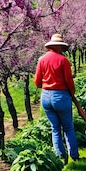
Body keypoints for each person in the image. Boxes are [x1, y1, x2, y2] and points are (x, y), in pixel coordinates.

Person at [34, 34, 79, 164]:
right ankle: (74, 156)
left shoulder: (41, 60)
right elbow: (69, 82)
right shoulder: (63, 60)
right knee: (68, 127)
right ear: (59, 46)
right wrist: (71, 94)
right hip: (61, 96)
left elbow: (37, 82)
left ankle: (60, 158)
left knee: (55, 128)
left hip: (46, 96)